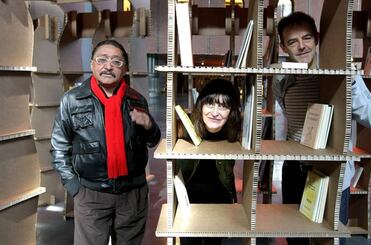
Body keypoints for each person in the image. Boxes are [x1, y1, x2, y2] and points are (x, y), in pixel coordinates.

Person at [274, 12, 371, 245]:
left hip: (334, 171)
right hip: (295, 170)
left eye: (307, 38)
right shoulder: (281, 78)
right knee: (296, 237)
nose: (301, 47)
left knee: (330, 240)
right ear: (283, 46)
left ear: (317, 37)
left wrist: (350, 84)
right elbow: (287, 119)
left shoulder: (341, 73)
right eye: (292, 42)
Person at [50, 39, 161, 245]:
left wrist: (149, 125)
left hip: (132, 194)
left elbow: (153, 140)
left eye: (116, 62)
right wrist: (75, 187)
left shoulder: (137, 100)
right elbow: (59, 146)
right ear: (92, 64)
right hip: (91, 194)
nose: (108, 66)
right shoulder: (73, 100)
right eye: (102, 60)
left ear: (125, 68)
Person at [177, 79, 242, 245]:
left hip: (219, 199)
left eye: (223, 106)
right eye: (210, 104)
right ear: (201, 106)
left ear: (232, 111)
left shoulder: (234, 132)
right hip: (189, 201)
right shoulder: (185, 128)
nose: (215, 112)